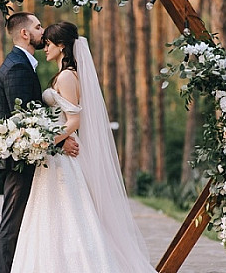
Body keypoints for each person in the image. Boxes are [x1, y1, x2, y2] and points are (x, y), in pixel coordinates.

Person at [10, 21, 157, 273]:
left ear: (62, 46)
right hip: (54, 156)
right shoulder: (63, 74)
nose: (45, 48)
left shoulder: (67, 76)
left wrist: (45, 141)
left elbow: (74, 121)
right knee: (52, 218)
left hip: (61, 156)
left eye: (48, 44)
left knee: (68, 218)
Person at [0, 12, 80, 273]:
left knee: (29, 221)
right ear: (25, 33)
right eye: (39, 27)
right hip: (19, 158)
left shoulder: (25, 64)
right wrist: (59, 143)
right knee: (14, 223)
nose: (44, 32)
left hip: (30, 155)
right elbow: (25, 119)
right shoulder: (18, 66)